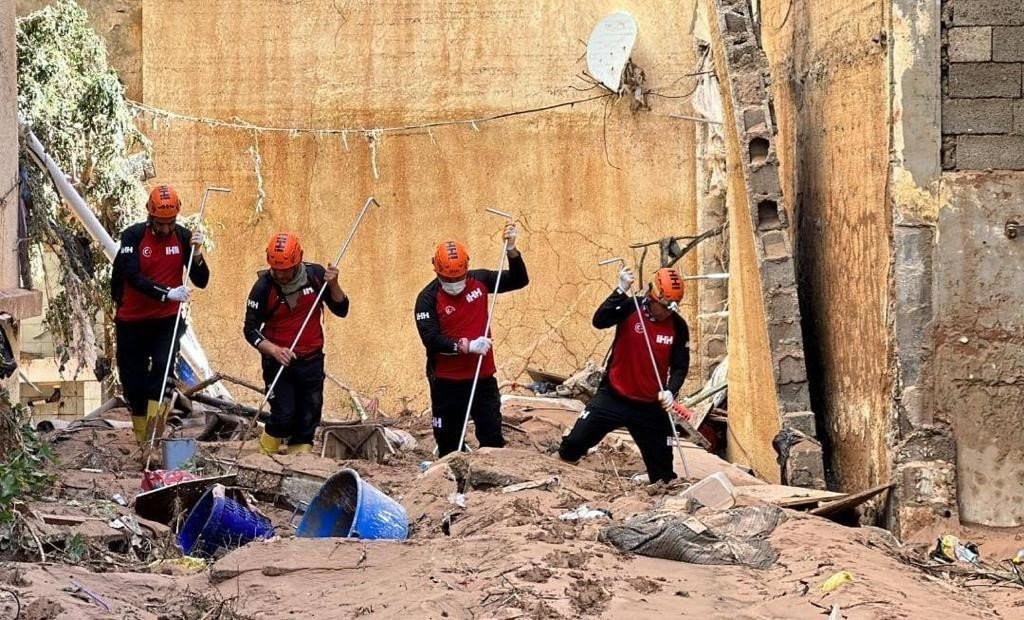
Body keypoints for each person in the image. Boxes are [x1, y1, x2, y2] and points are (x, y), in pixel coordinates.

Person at [558, 266, 690, 483]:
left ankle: (654, 481)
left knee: (663, 475)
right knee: (572, 445)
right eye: (663, 306)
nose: (667, 312)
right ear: (652, 295)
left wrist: (670, 391)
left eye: (672, 308)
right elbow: (599, 321)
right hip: (614, 395)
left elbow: (680, 366)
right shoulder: (630, 307)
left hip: (650, 405)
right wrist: (619, 290)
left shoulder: (678, 326)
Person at [414, 223, 528, 456]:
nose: (455, 284)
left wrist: (512, 250)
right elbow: (432, 340)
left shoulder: (480, 281)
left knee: (491, 436)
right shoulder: (426, 299)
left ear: (467, 268)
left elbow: (519, 279)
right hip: (447, 381)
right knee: (448, 441)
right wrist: (467, 345)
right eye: (448, 278)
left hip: (482, 377)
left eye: (459, 277)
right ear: (436, 271)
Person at [111, 184, 209, 444]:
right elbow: (132, 276)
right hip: (132, 320)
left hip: (166, 320)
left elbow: (202, 280)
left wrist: (197, 256)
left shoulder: (183, 237)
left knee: (163, 374)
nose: (166, 229)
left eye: (171, 222)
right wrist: (166, 292)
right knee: (134, 382)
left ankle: (155, 437)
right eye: (161, 223)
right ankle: (142, 439)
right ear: (150, 215)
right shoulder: (132, 237)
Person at [243, 232, 349, 455]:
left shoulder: (316, 276)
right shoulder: (263, 287)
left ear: (298, 261)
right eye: (275, 269)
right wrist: (273, 350)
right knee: (282, 416)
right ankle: (262, 459)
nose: (280, 274)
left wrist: (334, 285)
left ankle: (297, 464)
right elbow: (250, 330)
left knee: (308, 419)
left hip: (311, 360)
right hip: (278, 363)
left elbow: (342, 309)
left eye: (286, 269)